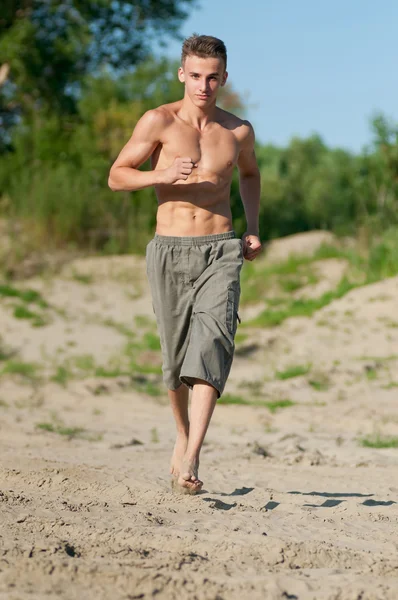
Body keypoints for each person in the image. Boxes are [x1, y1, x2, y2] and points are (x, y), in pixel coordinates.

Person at [108, 34, 262, 494]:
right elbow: (117, 175)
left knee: (211, 347)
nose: (203, 85)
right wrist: (160, 174)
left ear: (224, 78)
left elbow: (250, 174)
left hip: (221, 248)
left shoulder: (238, 131)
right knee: (175, 363)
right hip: (170, 249)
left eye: (212, 77)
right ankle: (180, 434)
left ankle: (193, 453)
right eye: (195, 76)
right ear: (182, 74)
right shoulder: (158, 121)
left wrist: (252, 225)